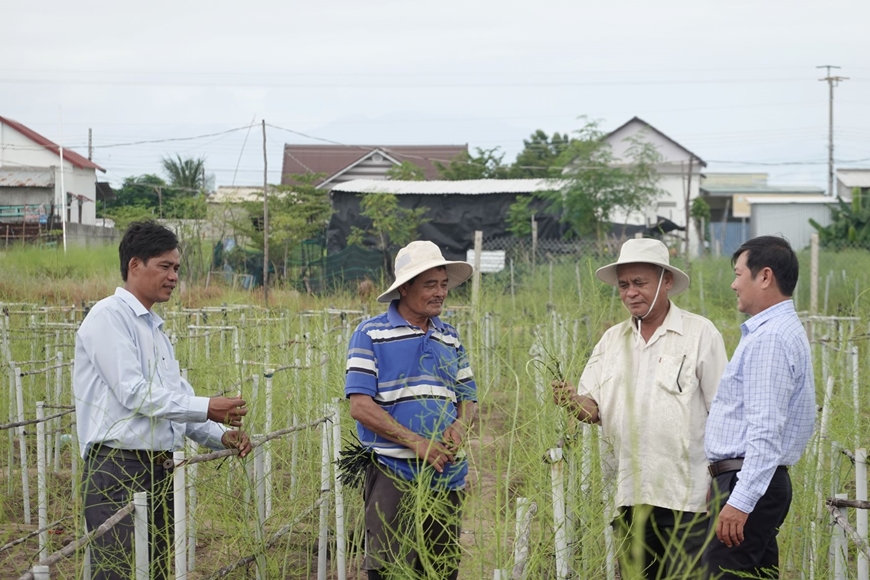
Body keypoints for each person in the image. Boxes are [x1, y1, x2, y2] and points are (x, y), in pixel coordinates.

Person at [74, 221, 252, 580]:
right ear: (134, 265)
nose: (173, 277)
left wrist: (220, 435)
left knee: (152, 569)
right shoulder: (109, 317)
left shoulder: (155, 330)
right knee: (119, 572)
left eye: (177, 269)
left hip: (158, 470)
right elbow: (134, 393)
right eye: (165, 267)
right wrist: (207, 406)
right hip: (118, 469)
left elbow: (175, 403)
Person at [553, 238, 727, 579]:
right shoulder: (612, 341)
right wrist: (571, 400)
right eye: (624, 285)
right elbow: (594, 410)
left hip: (688, 496)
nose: (631, 292)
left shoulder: (699, 333)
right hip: (631, 493)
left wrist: (721, 487)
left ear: (667, 281)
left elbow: (722, 410)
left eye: (640, 283)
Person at [345, 240, 477, 580]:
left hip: (446, 475)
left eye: (444, 284)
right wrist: (417, 442)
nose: (440, 293)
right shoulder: (370, 333)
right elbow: (360, 406)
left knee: (440, 569)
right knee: (389, 569)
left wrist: (461, 426)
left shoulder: (450, 337)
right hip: (393, 473)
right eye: (429, 285)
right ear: (404, 288)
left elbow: (468, 397)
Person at [702, 236, 816, 579]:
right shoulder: (777, 331)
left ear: (764, 277)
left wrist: (739, 500)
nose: (734, 284)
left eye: (739, 274)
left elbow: (766, 430)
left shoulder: (770, 339)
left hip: (749, 480)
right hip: (754, 479)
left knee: (724, 573)